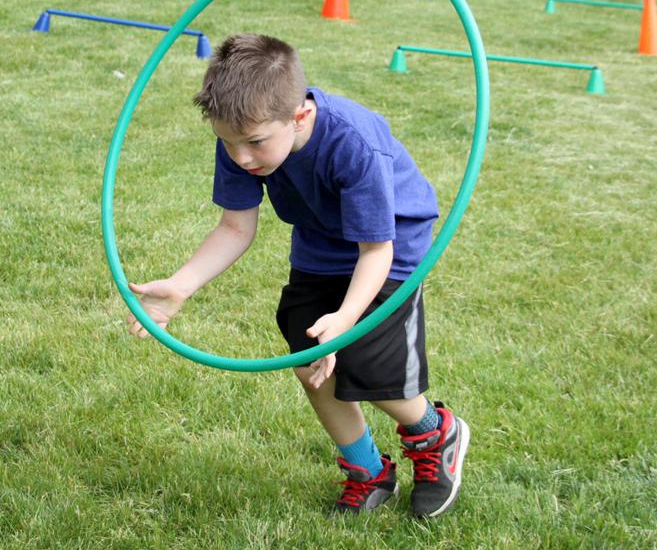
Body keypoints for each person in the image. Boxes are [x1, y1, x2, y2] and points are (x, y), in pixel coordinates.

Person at [126, 33, 469, 517]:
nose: (242, 157)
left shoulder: (353, 143)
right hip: (319, 246)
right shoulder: (241, 139)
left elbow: (376, 250)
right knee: (312, 364)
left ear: (300, 116)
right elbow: (234, 226)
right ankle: (367, 470)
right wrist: (181, 285)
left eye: (255, 143)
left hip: (390, 248)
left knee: (374, 373)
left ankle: (435, 434)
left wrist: (347, 316)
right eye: (228, 142)